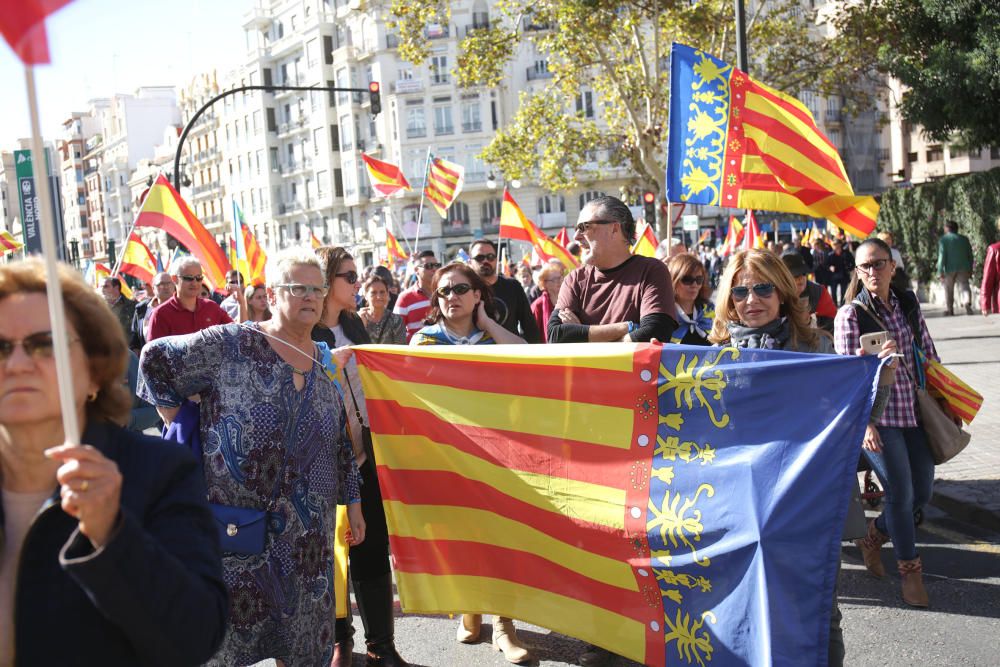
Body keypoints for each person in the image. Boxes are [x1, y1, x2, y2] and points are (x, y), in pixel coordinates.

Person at [138, 249, 365, 666]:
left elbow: (340, 442)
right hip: (236, 535)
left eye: (316, 288)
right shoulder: (230, 342)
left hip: (308, 544)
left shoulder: (325, 358)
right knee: (223, 648)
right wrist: (181, 417)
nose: (310, 297)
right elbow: (155, 361)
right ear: (274, 293)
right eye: (298, 288)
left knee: (303, 648)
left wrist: (353, 503)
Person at [0, 259, 227, 665]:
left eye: (44, 343)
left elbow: (195, 637)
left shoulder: (160, 473)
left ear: (94, 371)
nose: (16, 364)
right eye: (1, 346)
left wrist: (113, 536)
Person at [711, 249, 893, 666]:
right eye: (740, 290)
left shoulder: (816, 346)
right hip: (739, 508)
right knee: (741, 611)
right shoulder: (711, 356)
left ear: (782, 293)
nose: (751, 299)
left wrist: (878, 378)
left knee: (818, 616)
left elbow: (852, 422)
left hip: (807, 504)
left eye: (762, 288)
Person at [409, 263, 529, 663]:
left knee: (501, 538)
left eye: (462, 289)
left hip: (499, 455)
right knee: (461, 537)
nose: (452, 297)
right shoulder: (423, 341)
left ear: (478, 294)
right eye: (443, 291)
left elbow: (529, 361)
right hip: (448, 456)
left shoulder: (493, 340)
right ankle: (470, 607)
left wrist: (487, 324)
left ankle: (504, 626)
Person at [835, 237, 942, 608]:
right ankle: (910, 573)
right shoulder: (851, 314)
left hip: (914, 413)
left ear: (892, 266)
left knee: (922, 494)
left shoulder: (908, 302)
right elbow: (845, 377)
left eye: (878, 264)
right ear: (858, 272)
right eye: (864, 266)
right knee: (900, 493)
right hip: (878, 419)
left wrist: (945, 398)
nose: (872, 271)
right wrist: (864, 422)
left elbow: (929, 354)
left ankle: (873, 535)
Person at [548, 195, 676, 344]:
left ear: (614, 228)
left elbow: (654, 332)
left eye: (584, 227)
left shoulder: (651, 271)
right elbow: (556, 335)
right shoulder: (575, 279)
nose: (576, 236)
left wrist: (583, 334)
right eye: (576, 229)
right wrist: (627, 327)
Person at [469, 240, 542, 343]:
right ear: (470, 262)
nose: (486, 261)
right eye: (480, 258)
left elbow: (529, 326)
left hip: (510, 353)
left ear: (496, 259)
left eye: (490, 257)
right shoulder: (465, 290)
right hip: (478, 354)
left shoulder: (513, 286)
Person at [147, 257, 232, 341]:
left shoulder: (212, 307)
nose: (194, 283)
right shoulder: (160, 314)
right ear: (174, 279)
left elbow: (235, 333)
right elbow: (153, 352)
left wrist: (241, 302)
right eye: (189, 278)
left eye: (198, 278)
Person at [782, 251, 838, 335]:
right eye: (796, 275)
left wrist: (812, 322)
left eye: (804, 273)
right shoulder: (774, 293)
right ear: (783, 277)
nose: (801, 278)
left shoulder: (819, 292)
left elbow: (831, 325)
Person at [666, 253, 715, 346]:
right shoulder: (664, 316)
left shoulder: (710, 311)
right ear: (673, 280)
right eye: (687, 279)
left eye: (699, 279)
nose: (694, 285)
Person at [393, 251, 441, 342]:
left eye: (437, 265)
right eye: (428, 266)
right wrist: (418, 341)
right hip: (417, 353)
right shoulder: (404, 298)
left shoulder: (446, 293)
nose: (434, 269)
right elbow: (396, 331)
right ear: (416, 270)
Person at [130, 270, 175, 351]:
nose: (166, 287)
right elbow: (135, 335)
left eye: (169, 283)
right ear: (153, 288)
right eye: (161, 284)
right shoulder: (142, 308)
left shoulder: (182, 306)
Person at [937, 221, 975, 315]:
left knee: (949, 289)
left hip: (949, 269)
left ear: (947, 228)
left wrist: (940, 271)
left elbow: (942, 256)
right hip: (963, 267)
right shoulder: (964, 239)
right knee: (964, 286)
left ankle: (950, 309)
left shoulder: (943, 239)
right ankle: (966, 302)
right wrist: (970, 268)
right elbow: (970, 255)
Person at [359, 273, 407, 344]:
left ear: (388, 294)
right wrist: (361, 326)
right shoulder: (358, 319)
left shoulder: (396, 320)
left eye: (382, 292)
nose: (379, 296)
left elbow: (400, 350)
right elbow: (354, 348)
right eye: (373, 293)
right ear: (366, 295)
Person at [529, 262, 564, 344]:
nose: (558, 281)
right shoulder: (538, 305)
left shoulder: (568, 299)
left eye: (559, 278)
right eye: (554, 279)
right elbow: (532, 333)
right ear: (544, 283)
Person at [824, 240, 854, 306]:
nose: (835, 246)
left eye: (837, 244)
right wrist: (830, 267)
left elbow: (853, 262)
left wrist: (849, 268)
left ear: (840, 245)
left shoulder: (846, 253)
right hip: (833, 276)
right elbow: (825, 264)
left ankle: (842, 305)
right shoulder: (830, 255)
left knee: (843, 292)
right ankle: (834, 305)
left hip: (844, 275)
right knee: (833, 292)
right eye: (834, 245)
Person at [980, 235, 1000, 316]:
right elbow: (988, 278)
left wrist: (985, 304)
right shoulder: (995, 249)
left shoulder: (994, 249)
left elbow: (988, 278)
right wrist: (985, 303)